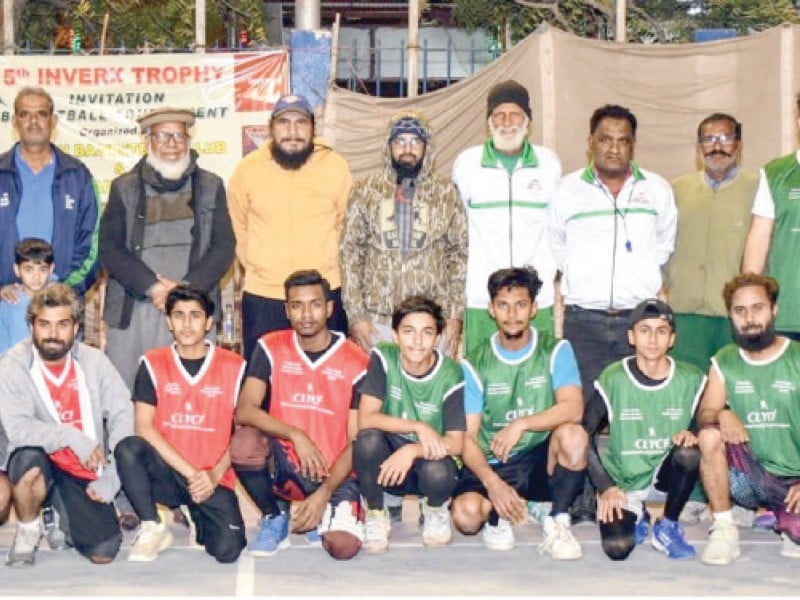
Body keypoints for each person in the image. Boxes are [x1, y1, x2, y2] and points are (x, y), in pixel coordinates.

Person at [548, 104, 677, 523]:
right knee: (581, 414)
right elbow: (555, 249)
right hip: (583, 320)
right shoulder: (567, 191)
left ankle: (631, 496)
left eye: (623, 140)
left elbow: (662, 247)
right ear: (591, 143)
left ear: (633, 145)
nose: (615, 148)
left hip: (634, 324)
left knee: (629, 412)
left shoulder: (656, 190)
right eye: (606, 139)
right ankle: (584, 498)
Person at [231, 270, 368, 560]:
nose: (306, 314)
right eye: (297, 305)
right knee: (244, 444)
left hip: (335, 472)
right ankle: (274, 515)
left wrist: (325, 492)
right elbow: (245, 409)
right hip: (286, 464)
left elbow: (359, 441)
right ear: (287, 310)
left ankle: (322, 511)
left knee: (342, 548)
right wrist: (295, 434)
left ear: (330, 308)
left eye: (315, 304)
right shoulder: (270, 347)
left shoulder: (356, 360)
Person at [451, 267, 587, 560]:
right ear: (491, 309)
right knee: (466, 517)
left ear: (534, 308)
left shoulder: (556, 350)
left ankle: (558, 521)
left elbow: (574, 408)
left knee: (573, 436)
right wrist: (492, 483)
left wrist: (521, 424)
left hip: (538, 456)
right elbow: (467, 438)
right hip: (493, 459)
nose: (512, 314)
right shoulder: (475, 363)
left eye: (521, 305)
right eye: (503, 305)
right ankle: (499, 513)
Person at [99, 106, 235, 390]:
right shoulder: (123, 187)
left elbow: (224, 246)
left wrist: (184, 292)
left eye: (179, 136)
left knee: (192, 394)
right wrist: (155, 288)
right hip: (135, 307)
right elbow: (110, 249)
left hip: (192, 309)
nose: (172, 144)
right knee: (128, 394)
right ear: (147, 140)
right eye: (163, 136)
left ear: (189, 140)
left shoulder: (212, 186)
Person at [0, 284, 133, 567]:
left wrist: (113, 474)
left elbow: (123, 414)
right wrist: (71, 436)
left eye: (62, 324)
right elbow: (19, 428)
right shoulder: (14, 364)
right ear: (32, 326)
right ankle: (28, 527)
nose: (52, 334)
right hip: (37, 458)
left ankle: (58, 510)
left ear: (75, 328)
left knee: (104, 551)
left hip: (82, 466)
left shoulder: (94, 362)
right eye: (44, 324)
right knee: (29, 462)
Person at [113, 284, 246, 563]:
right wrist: (193, 474)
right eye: (179, 315)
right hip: (171, 473)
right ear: (169, 322)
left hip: (214, 478)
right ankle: (153, 524)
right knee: (128, 448)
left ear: (209, 322)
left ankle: (194, 513)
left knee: (227, 551)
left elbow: (242, 432)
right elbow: (144, 427)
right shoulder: (152, 363)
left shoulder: (234, 366)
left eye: (195, 316)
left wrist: (211, 475)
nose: (187, 324)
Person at [228, 94, 351, 360]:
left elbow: (346, 225)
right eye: (284, 122)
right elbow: (237, 226)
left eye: (300, 123)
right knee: (264, 384)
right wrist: (258, 265)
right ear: (271, 128)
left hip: (322, 297)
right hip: (264, 296)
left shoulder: (336, 167)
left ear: (313, 128)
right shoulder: (247, 170)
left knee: (328, 381)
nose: (292, 132)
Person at [340, 110, 467, 358]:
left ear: (426, 147)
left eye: (415, 142)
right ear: (388, 146)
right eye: (399, 141)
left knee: (430, 391)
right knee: (378, 392)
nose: (407, 149)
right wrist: (356, 316)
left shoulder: (446, 193)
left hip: (432, 321)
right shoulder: (365, 191)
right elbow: (350, 253)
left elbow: (459, 255)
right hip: (377, 321)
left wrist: (453, 316)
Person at [588, 299, 706, 561]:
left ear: (672, 339)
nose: (653, 339)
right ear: (631, 336)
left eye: (661, 331)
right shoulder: (613, 377)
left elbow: (710, 418)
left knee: (688, 452)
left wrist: (693, 431)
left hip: (666, 476)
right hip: (626, 482)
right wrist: (605, 486)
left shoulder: (691, 378)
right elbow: (582, 434)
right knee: (617, 547)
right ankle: (637, 515)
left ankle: (667, 525)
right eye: (645, 330)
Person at [452, 80, 562, 357]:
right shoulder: (466, 165)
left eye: (515, 114)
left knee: (538, 378)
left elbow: (558, 227)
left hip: (536, 299)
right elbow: (455, 231)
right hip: (481, 298)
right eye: (498, 115)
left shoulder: (549, 164)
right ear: (489, 121)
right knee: (481, 376)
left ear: (528, 120)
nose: (506, 122)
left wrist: (549, 274)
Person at [697, 273, 800, 565]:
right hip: (748, 476)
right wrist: (722, 413)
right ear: (730, 315)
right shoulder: (725, 359)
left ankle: (783, 519)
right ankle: (725, 527)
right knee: (709, 435)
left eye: (758, 308)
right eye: (740, 311)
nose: (750, 318)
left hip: (794, 478)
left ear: (774, 310)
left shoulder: (796, 357)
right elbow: (705, 415)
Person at [353, 295, 465, 553]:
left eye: (427, 333)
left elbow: (456, 443)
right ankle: (378, 512)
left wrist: (413, 449)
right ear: (395, 335)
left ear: (437, 338)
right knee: (367, 440)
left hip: (428, 460)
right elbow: (366, 418)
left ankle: (435, 508)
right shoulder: (383, 356)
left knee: (438, 473)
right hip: (391, 455)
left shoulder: (451, 373)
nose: (417, 341)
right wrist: (418, 426)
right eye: (408, 331)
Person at [666, 113, 758, 370]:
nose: (717, 146)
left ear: (738, 145)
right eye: (709, 139)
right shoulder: (676, 190)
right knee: (688, 395)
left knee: (733, 394)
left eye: (725, 138)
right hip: (685, 314)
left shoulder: (759, 188)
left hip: (735, 315)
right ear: (699, 148)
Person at [0, 87, 99, 304]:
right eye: (25, 114)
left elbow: (93, 242)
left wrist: (66, 288)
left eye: (41, 114)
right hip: (5, 305)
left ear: (53, 121)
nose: (33, 121)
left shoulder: (78, 176)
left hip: (61, 306)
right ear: (15, 121)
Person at [742, 93, 800, 341]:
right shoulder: (775, 174)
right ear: (798, 121)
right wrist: (750, 301)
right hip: (787, 313)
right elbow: (759, 238)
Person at [0, 239, 55, 354]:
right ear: (17, 269)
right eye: (28, 269)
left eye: (43, 269)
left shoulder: (59, 302)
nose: (36, 276)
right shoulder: (8, 305)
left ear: (51, 269)